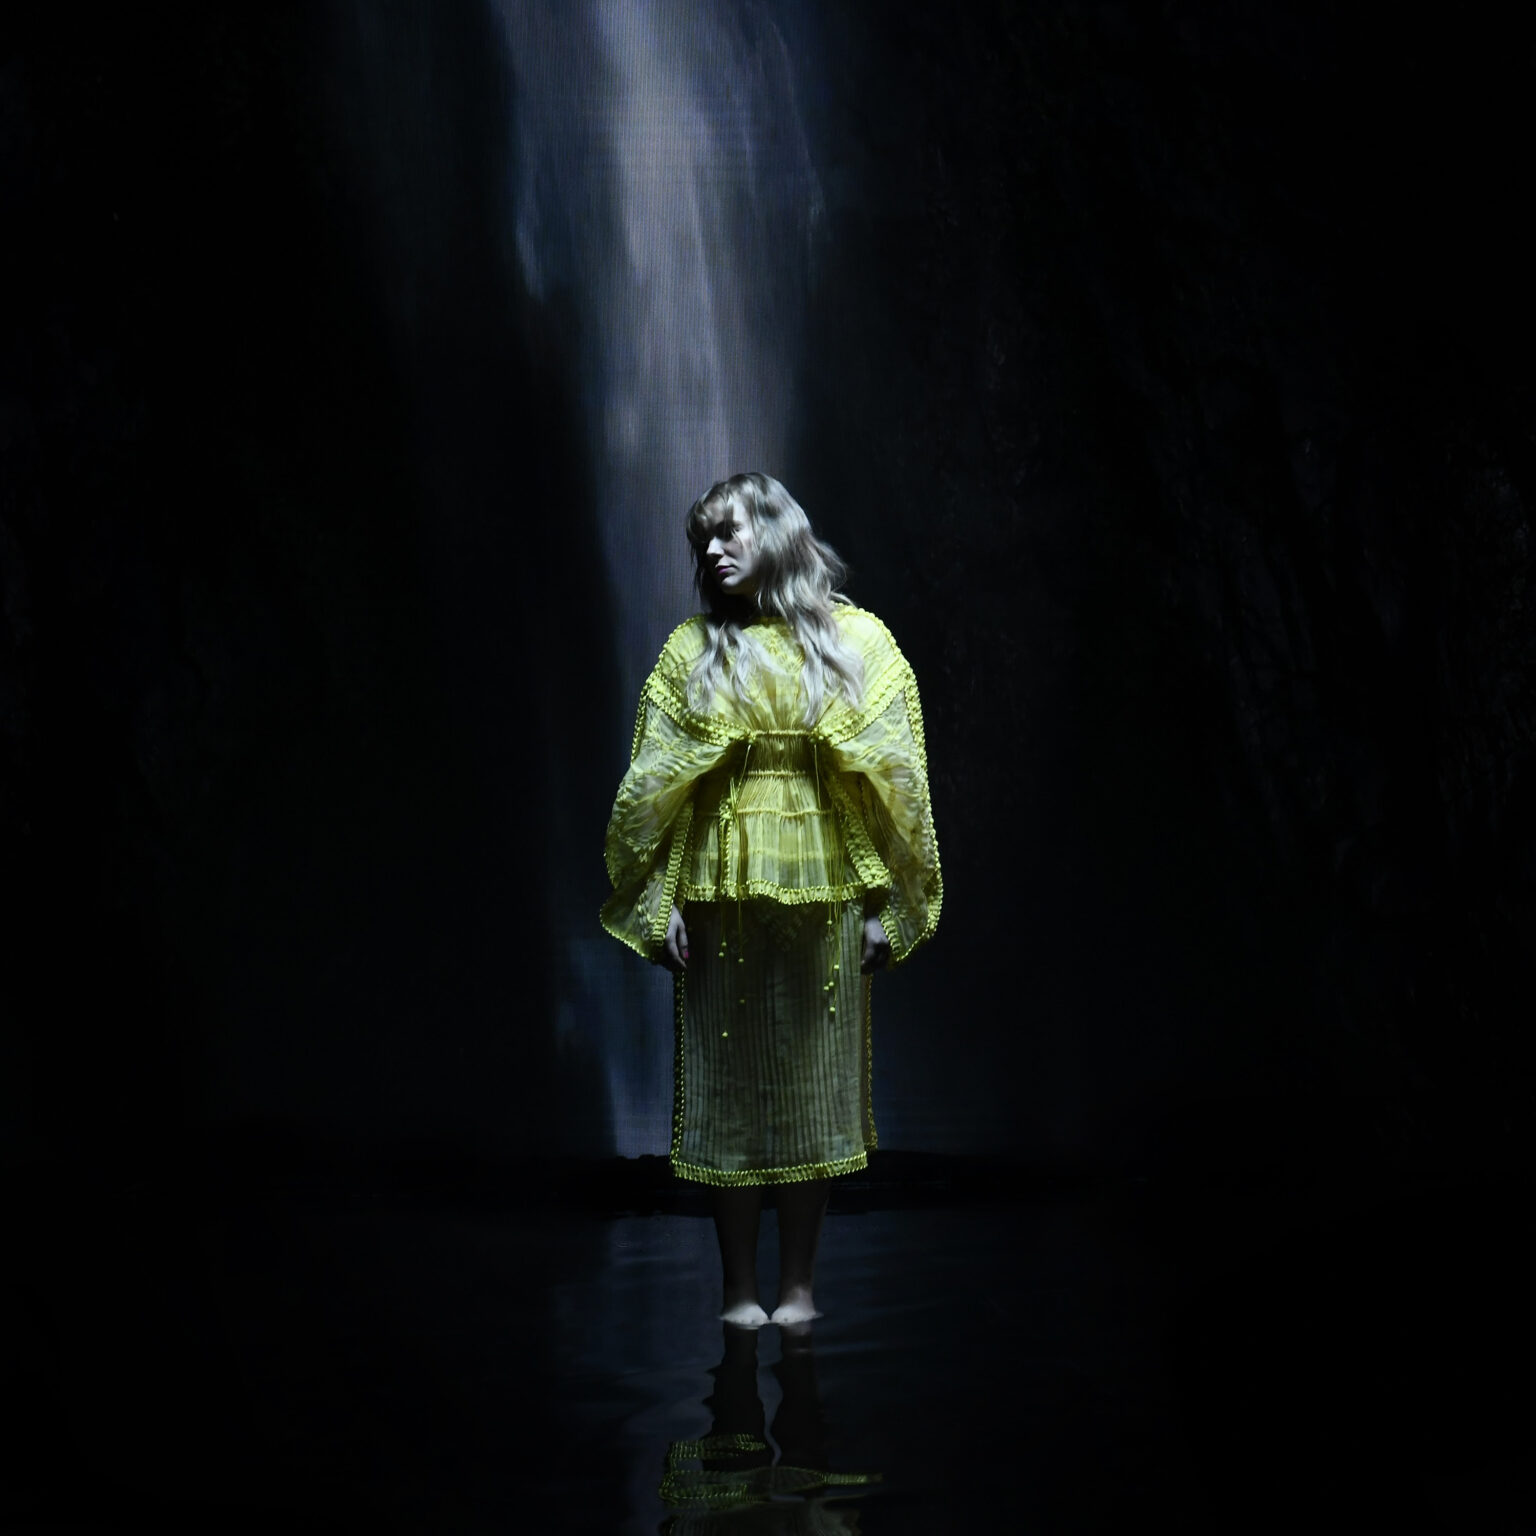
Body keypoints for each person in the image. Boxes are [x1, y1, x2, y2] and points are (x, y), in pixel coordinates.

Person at [601, 472, 941, 1327]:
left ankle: (797, 1289)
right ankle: (737, 1292)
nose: (712, 551)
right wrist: (663, 900)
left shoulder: (858, 641)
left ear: (777, 533)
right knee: (726, 1085)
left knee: (814, 1083)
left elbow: (897, 779)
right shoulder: (692, 649)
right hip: (719, 890)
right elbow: (658, 784)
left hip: (827, 887)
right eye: (702, 541)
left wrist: (885, 905)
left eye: (728, 533)